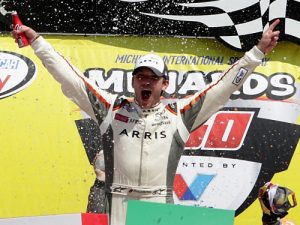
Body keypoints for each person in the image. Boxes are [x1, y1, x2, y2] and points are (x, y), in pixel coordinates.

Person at [12, 20, 280, 225]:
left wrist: (256, 53)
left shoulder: (180, 114)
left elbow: (222, 87)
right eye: (140, 76)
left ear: (165, 83)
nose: (146, 81)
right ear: (133, 81)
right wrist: (37, 41)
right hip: (116, 200)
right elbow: (70, 78)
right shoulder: (112, 109)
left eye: (152, 77)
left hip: (157, 202)